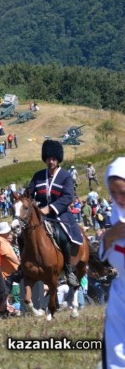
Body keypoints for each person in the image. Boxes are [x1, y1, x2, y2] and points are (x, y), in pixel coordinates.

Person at [27, 140, 82, 288]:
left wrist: (49, 208)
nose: (51, 161)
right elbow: (29, 193)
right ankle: (24, 265)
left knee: (63, 237)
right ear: (45, 158)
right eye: (48, 158)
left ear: (58, 159)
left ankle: (69, 270)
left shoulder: (66, 176)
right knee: (24, 235)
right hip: (40, 216)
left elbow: (68, 197)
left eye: (54, 159)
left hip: (60, 216)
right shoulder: (38, 176)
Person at [99, 157, 125, 368]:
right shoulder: (116, 213)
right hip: (121, 292)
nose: (118, 198)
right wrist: (109, 236)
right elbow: (106, 254)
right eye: (113, 192)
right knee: (115, 350)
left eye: (123, 192)